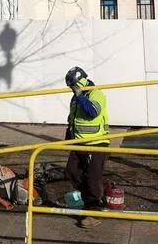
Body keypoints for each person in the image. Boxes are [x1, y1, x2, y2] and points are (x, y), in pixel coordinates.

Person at [64, 66, 108, 229]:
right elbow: (72, 118)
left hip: (96, 144)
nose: (71, 89)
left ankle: (94, 210)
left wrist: (80, 95)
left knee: (92, 177)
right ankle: (93, 197)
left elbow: (92, 112)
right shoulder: (76, 97)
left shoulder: (96, 94)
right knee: (71, 172)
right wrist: (68, 137)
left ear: (79, 82)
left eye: (73, 86)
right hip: (79, 142)